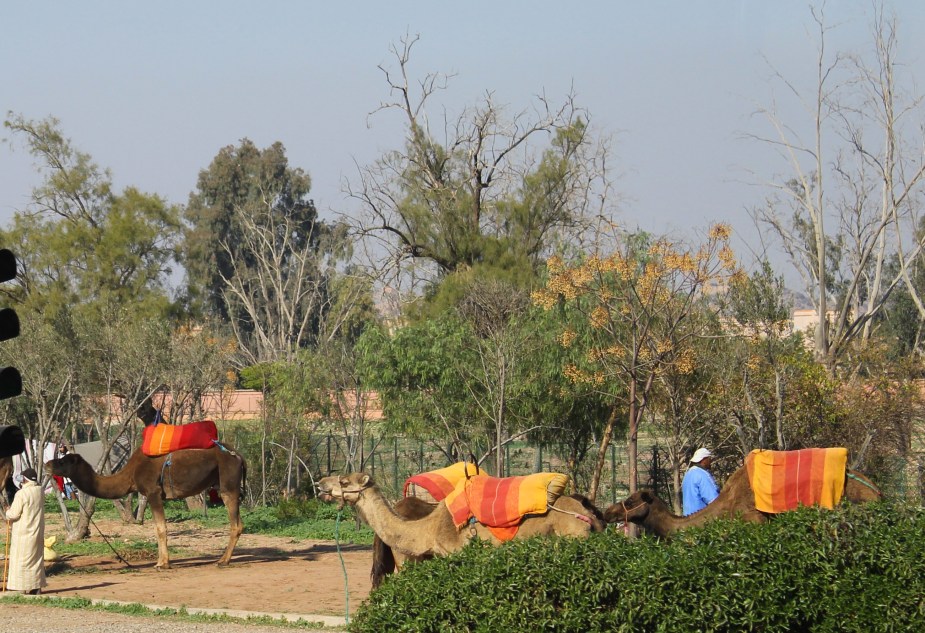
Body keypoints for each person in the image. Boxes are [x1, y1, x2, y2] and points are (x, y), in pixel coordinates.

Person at [5, 467, 46, 594]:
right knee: (36, 560)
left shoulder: (21, 494)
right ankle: (36, 586)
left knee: (21, 560)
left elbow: (14, 514)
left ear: (24, 479)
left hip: (23, 533)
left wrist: (8, 511)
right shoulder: (40, 491)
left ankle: (20, 587)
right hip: (37, 530)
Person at [681, 447, 720, 516]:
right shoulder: (702, 475)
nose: (710, 461)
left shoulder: (688, 474)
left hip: (687, 519)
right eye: (709, 459)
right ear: (704, 460)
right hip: (700, 519)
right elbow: (713, 500)